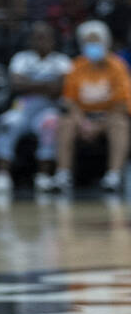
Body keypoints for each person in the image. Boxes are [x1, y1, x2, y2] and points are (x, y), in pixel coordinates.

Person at [0, 22, 71, 195]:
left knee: (51, 123)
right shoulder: (21, 58)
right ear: (31, 40)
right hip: (23, 106)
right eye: (37, 37)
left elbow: (60, 88)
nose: (41, 41)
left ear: (53, 40)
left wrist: (31, 83)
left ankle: (43, 175)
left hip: (49, 107)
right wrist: (47, 84)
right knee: (7, 122)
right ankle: (3, 175)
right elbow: (16, 84)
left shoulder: (62, 61)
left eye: (45, 37)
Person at [53, 20, 131, 192]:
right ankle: (63, 174)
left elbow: (122, 103)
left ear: (106, 42)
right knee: (65, 122)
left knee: (120, 124)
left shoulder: (117, 66)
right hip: (83, 117)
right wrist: (83, 123)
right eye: (88, 41)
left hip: (109, 115)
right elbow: (69, 100)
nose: (92, 45)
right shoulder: (77, 65)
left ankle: (113, 176)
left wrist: (98, 125)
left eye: (96, 41)